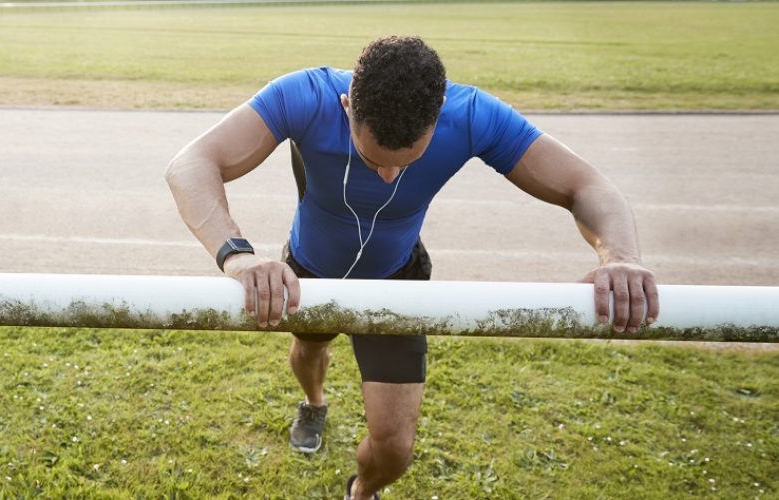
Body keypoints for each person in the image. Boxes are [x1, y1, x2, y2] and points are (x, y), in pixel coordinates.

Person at [164, 35, 658, 500]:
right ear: (348, 106)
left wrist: (620, 257)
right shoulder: (307, 94)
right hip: (309, 271)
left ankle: (361, 489)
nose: (388, 176)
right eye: (374, 157)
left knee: (396, 450)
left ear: (438, 114)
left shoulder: (469, 115)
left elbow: (588, 186)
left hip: (397, 280)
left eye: (407, 162)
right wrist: (240, 255)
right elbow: (192, 163)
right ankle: (314, 404)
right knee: (308, 354)